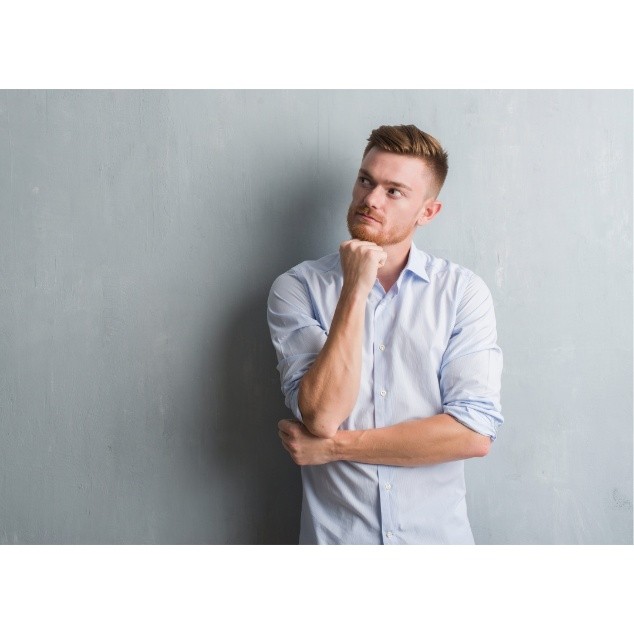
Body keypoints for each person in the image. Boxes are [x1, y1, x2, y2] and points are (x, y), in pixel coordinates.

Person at [267, 124, 503, 544]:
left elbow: (472, 434)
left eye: (394, 191)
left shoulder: (462, 293)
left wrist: (334, 448)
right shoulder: (298, 288)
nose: (371, 199)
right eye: (366, 181)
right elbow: (321, 416)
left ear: (427, 212)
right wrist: (354, 290)